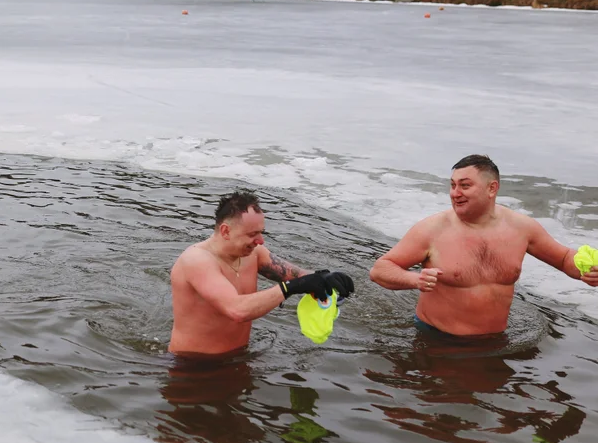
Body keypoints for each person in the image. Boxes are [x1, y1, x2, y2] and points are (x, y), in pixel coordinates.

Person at [369, 154, 598, 337]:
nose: (455, 193)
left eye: (465, 186)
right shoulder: (431, 230)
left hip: (497, 341)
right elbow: (380, 270)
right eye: (452, 185)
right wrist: (414, 279)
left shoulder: (522, 228)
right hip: (435, 339)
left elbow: (564, 258)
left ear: (492, 188)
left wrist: (586, 272)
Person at [169, 190, 355, 358]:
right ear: (226, 231)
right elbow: (237, 310)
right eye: (252, 234)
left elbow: (297, 277)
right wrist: (292, 288)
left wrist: (325, 278)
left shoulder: (254, 253)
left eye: (261, 233)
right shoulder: (197, 260)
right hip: (192, 364)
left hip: (240, 356)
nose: (260, 240)